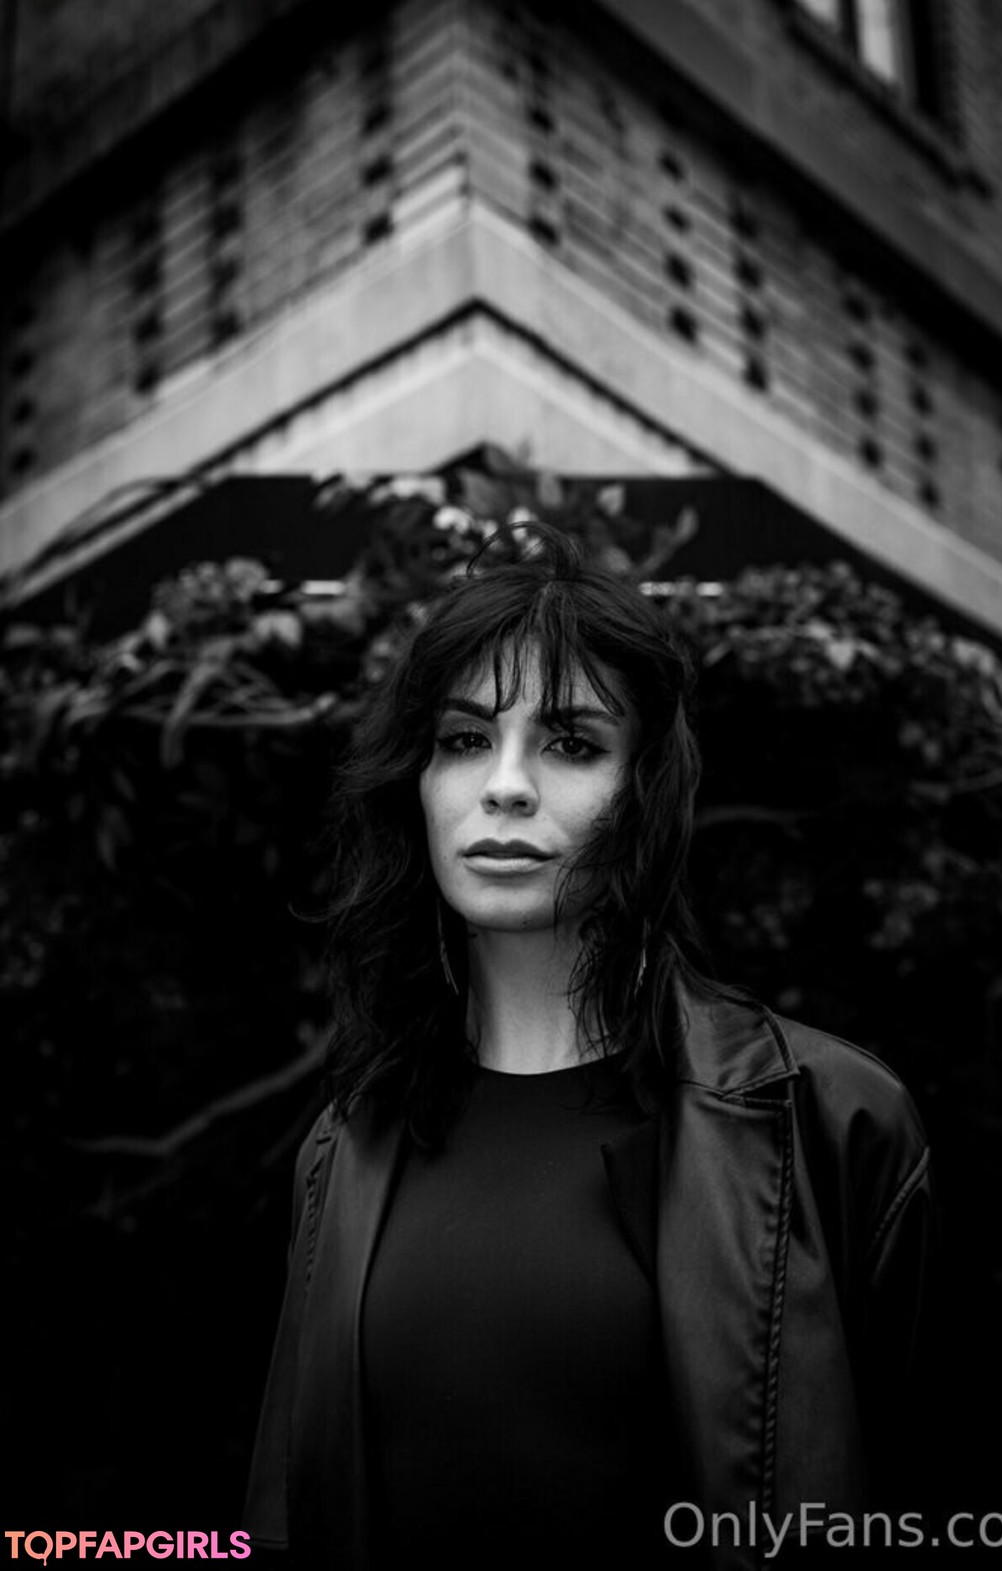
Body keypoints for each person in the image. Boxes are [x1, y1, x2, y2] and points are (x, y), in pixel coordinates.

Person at [243, 523, 936, 1570]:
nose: (505, 785)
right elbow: (282, 1519)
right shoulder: (342, 1147)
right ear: (416, 783)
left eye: (570, 743)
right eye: (463, 739)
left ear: (645, 790)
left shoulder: (832, 1119)